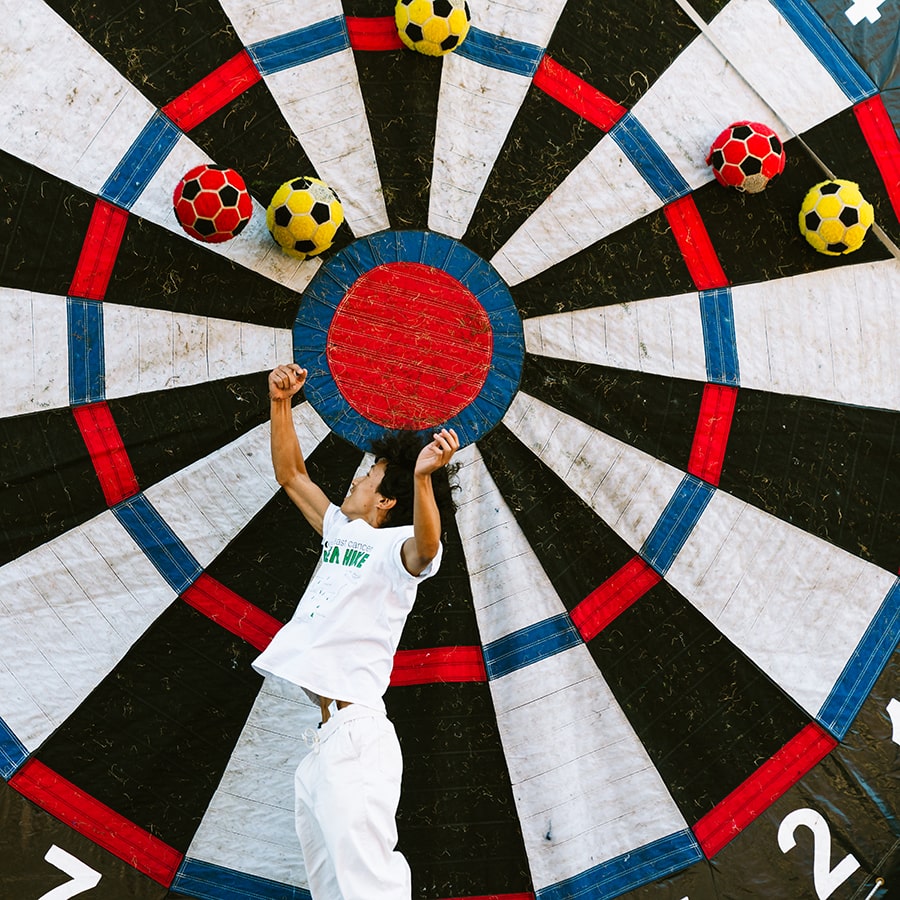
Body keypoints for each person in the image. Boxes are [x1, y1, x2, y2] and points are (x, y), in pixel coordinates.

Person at [252, 363, 459, 900]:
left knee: (370, 890)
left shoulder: (397, 550)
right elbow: (292, 475)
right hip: (324, 741)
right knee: (333, 890)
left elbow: (428, 548)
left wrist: (421, 478)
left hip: (357, 736)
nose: (357, 476)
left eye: (370, 474)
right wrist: (280, 403)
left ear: (386, 499)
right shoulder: (340, 531)